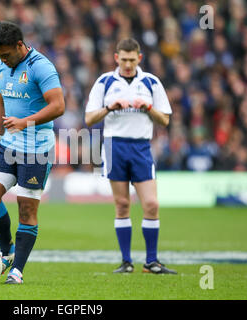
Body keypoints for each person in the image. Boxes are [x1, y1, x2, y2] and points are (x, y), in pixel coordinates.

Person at [0, 21, 65, 284]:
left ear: (20, 45)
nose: (2, 60)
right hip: (8, 145)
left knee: (26, 210)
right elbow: (2, 101)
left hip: (36, 150)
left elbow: (59, 105)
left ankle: (17, 270)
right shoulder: (2, 66)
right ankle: (8, 251)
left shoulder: (42, 67)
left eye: (5, 54)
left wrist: (26, 122)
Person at [85, 38, 177, 274]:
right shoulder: (104, 82)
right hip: (114, 147)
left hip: (141, 147)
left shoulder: (151, 82)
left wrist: (148, 108)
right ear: (116, 58)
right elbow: (89, 119)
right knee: (123, 204)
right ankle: (126, 262)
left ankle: (151, 262)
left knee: (151, 204)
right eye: (123, 59)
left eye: (131, 59)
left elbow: (165, 120)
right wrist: (109, 109)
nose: (127, 64)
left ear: (139, 58)